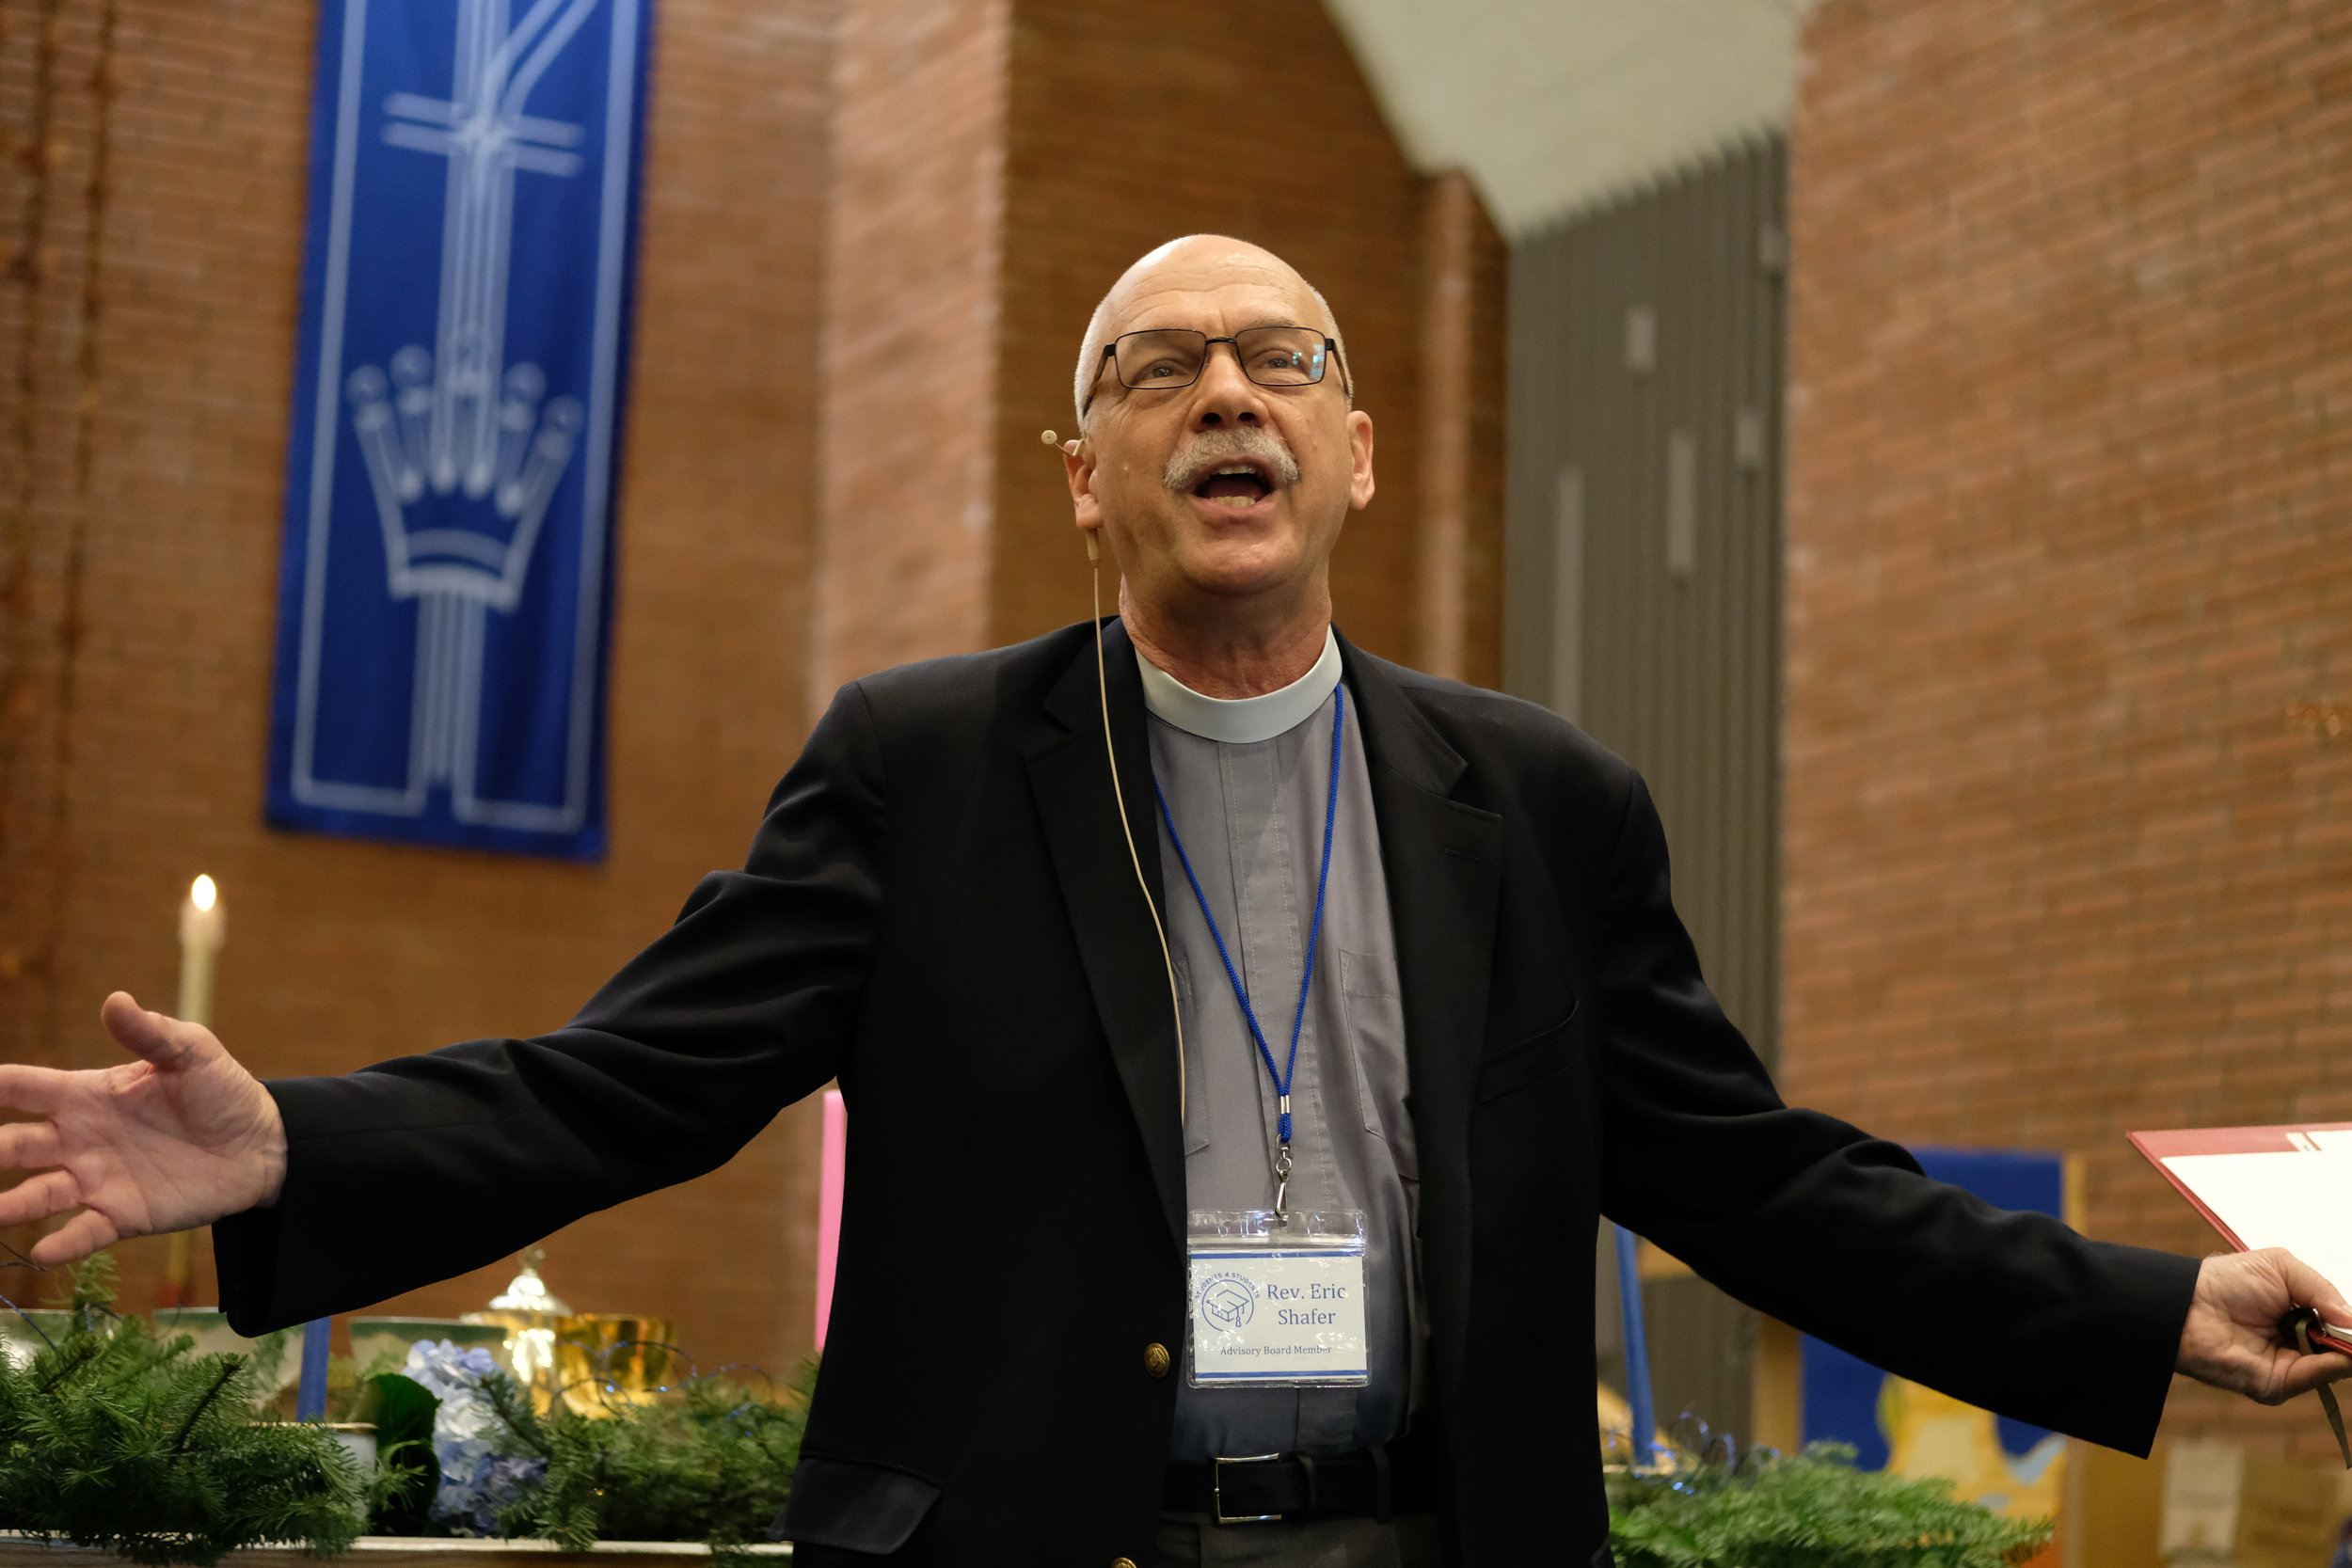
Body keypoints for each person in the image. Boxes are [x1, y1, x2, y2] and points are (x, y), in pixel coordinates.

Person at [0, 234, 2343, 1568]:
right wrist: (292, 1144)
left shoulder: (1535, 801)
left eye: (1277, 361)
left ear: (1347, 448)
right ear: (1086, 472)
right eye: (1158, 367)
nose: (1223, 389)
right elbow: (640, 1081)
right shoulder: (923, 767)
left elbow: (1756, 1181)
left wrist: (2146, 1316)